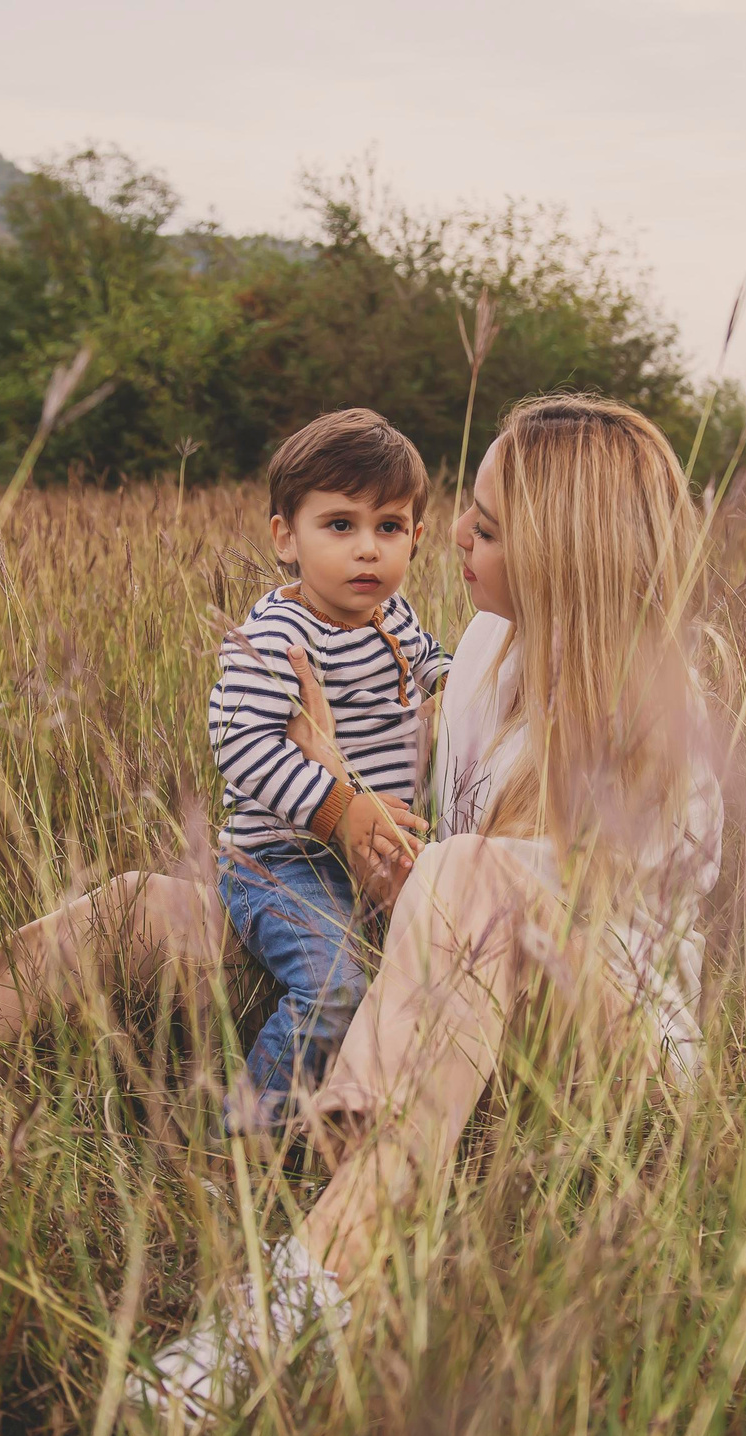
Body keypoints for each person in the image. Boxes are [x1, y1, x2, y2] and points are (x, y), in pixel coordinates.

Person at [0, 396, 724, 1421]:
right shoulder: (479, 669)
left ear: (564, 553)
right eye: (468, 511)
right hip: (435, 986)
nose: (449, 533)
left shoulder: (648, 723)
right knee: (147, 907)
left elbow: (495, 920)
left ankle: (284, 1301)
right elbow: (414, 881)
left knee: (466, 879)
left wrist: (349, 806)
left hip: (597, 1063)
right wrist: (344, 808)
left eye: (489, 528)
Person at [208, 409, 447, 1134]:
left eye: (390, 527)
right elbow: (241, 745)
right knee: (334, 988)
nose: (367, 550)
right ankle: (240, 1139)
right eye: (339, 525)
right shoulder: (277, 635)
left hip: (377, 855)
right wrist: (340, 809)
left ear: (415, 537)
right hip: (287, 858)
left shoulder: (392, 617)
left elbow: (435, 668)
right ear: (286, 535)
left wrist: (464, 685)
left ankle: (380, 1122)